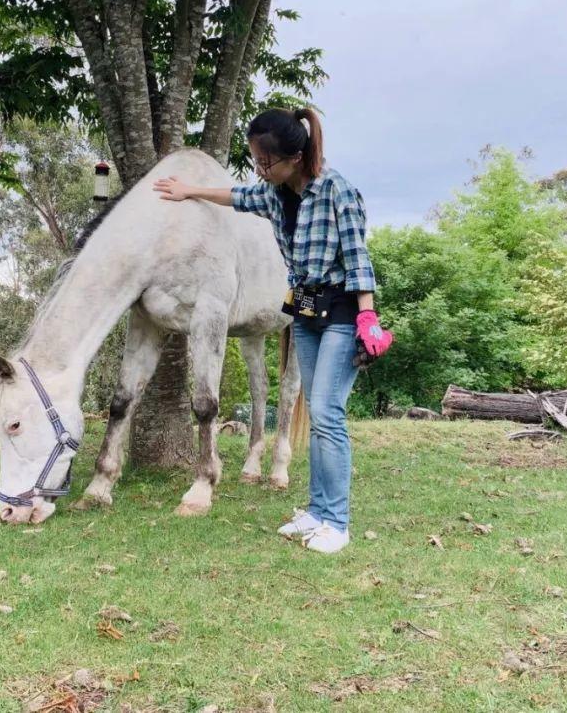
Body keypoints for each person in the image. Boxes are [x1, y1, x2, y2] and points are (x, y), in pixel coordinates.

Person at [153, 107, 392, 554]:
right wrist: (188, 191)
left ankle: (336, 522)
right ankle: (317, 513)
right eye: (256, 162)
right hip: (303, 312)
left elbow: (359, 258)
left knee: (325, 415)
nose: (261, 171)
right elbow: (235, 196)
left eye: (267, 162)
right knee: (320, 416)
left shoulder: (337, 191)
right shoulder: (273, 195)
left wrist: (368, 316)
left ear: (296, 157)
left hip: (341, 311)